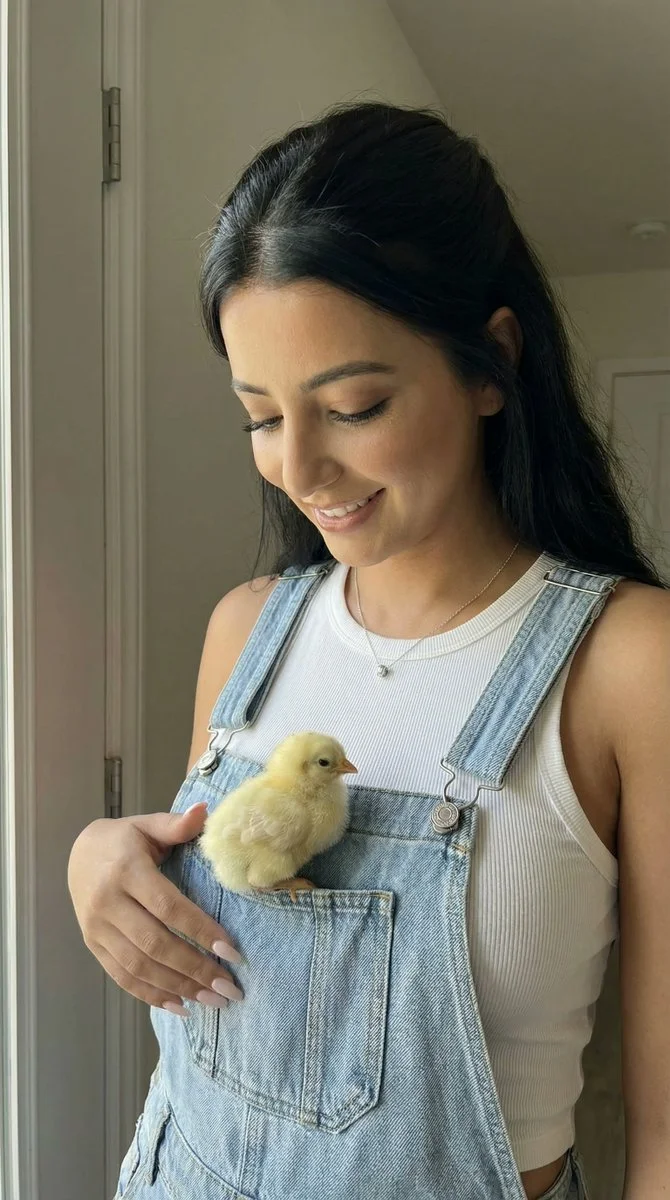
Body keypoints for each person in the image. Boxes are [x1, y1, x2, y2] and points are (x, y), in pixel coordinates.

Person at [68, 101, 670, 1200]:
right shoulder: (246, 628)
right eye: (260, 417)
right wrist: (104, 862)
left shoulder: (631, 664)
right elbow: (224, 913)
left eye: (352, 405)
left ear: (490, 363)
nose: (298, 469)